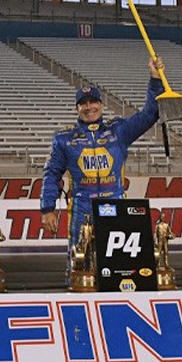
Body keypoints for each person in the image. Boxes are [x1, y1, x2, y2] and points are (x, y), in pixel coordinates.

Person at [40, 57, 165, 282]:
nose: (89, 107)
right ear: (77, 108)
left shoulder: (119, 130)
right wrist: (47, 207)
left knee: (120, 264)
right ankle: (77, 302)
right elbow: (51, 174)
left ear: (102, 104)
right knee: (80, 263)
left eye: (93, 102)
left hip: (116, 204)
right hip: (82, 205)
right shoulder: (63, 139)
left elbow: (150, 114)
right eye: (83, 103)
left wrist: (155, 80)